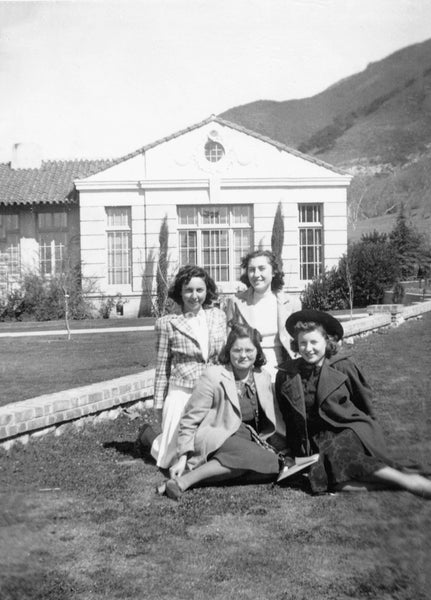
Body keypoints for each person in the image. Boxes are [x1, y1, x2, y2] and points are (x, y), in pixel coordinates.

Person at [275, 309, 431, 499]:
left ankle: (409, 482)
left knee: (338, 452)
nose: (308, 348)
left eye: (314, 342)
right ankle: (391, 483)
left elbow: (364, 401)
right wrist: (294, 448)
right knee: (323, 479)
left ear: (327, 341)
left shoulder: (343, 366)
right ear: (296, 345)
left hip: (346, 429)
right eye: (303, 343)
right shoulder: (286, 374)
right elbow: (287, 415)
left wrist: (372, 436)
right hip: (312, 440)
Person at [158, 323, 288, 500]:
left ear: (257, 351)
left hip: (248, 439)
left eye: (249, 350)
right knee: (257, 459)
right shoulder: (213, 376)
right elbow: (190, 419)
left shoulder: (262, 376)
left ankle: (204, 474)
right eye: (237, 350)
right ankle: (183, 482)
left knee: (272, 467)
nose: (243, 356)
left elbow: (269, 418)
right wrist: (182, 457)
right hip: (218, 436)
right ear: (228, 351)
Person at [136, 265, 227, 469]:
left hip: (212, 390)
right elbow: (162, 367)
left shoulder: (218, 317)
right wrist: (158, 405)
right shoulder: (167, 323)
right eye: (188, 290)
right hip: (182, 392)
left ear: (207, 291)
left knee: (208, 450)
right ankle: (148, 436)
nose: (194, 296)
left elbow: (224, 357)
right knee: (170, 460)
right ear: (180, 292)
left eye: (199, 290)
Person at [225, 250, 300, 381]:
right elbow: (228, 342)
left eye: (262, 269)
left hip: (284, 370)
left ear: (274, 271)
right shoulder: (236, 302)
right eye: (251, 270)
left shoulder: (291, 303)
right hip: (248, 370)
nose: (256, 274)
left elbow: (298, 341)